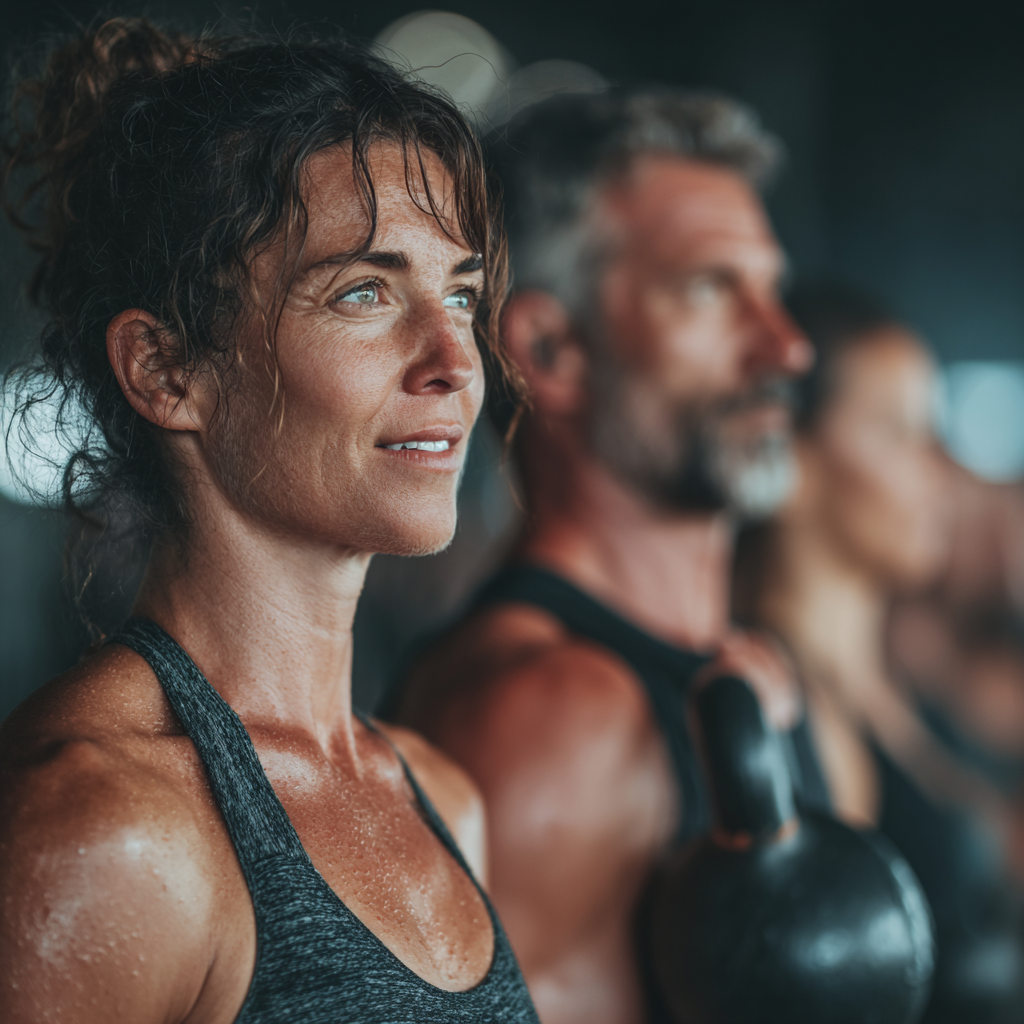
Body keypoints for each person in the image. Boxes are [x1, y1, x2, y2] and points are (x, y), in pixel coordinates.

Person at [0, 19, 539, 1024]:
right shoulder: (106, 825)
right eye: (365, 292)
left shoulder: (440, 797)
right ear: (167, 372)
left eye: (460, 295)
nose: (454, 363)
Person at [387, 89, 819, 1024]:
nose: (785, 346)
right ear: (551, 348)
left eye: (772, 290)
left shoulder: (752, 672)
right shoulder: (552, 718)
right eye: (711, 290)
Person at [732, 281, 1024, 1023]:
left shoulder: (894, 682)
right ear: (793, 459)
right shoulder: (782, 700)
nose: (942, 475)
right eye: (900, 433)